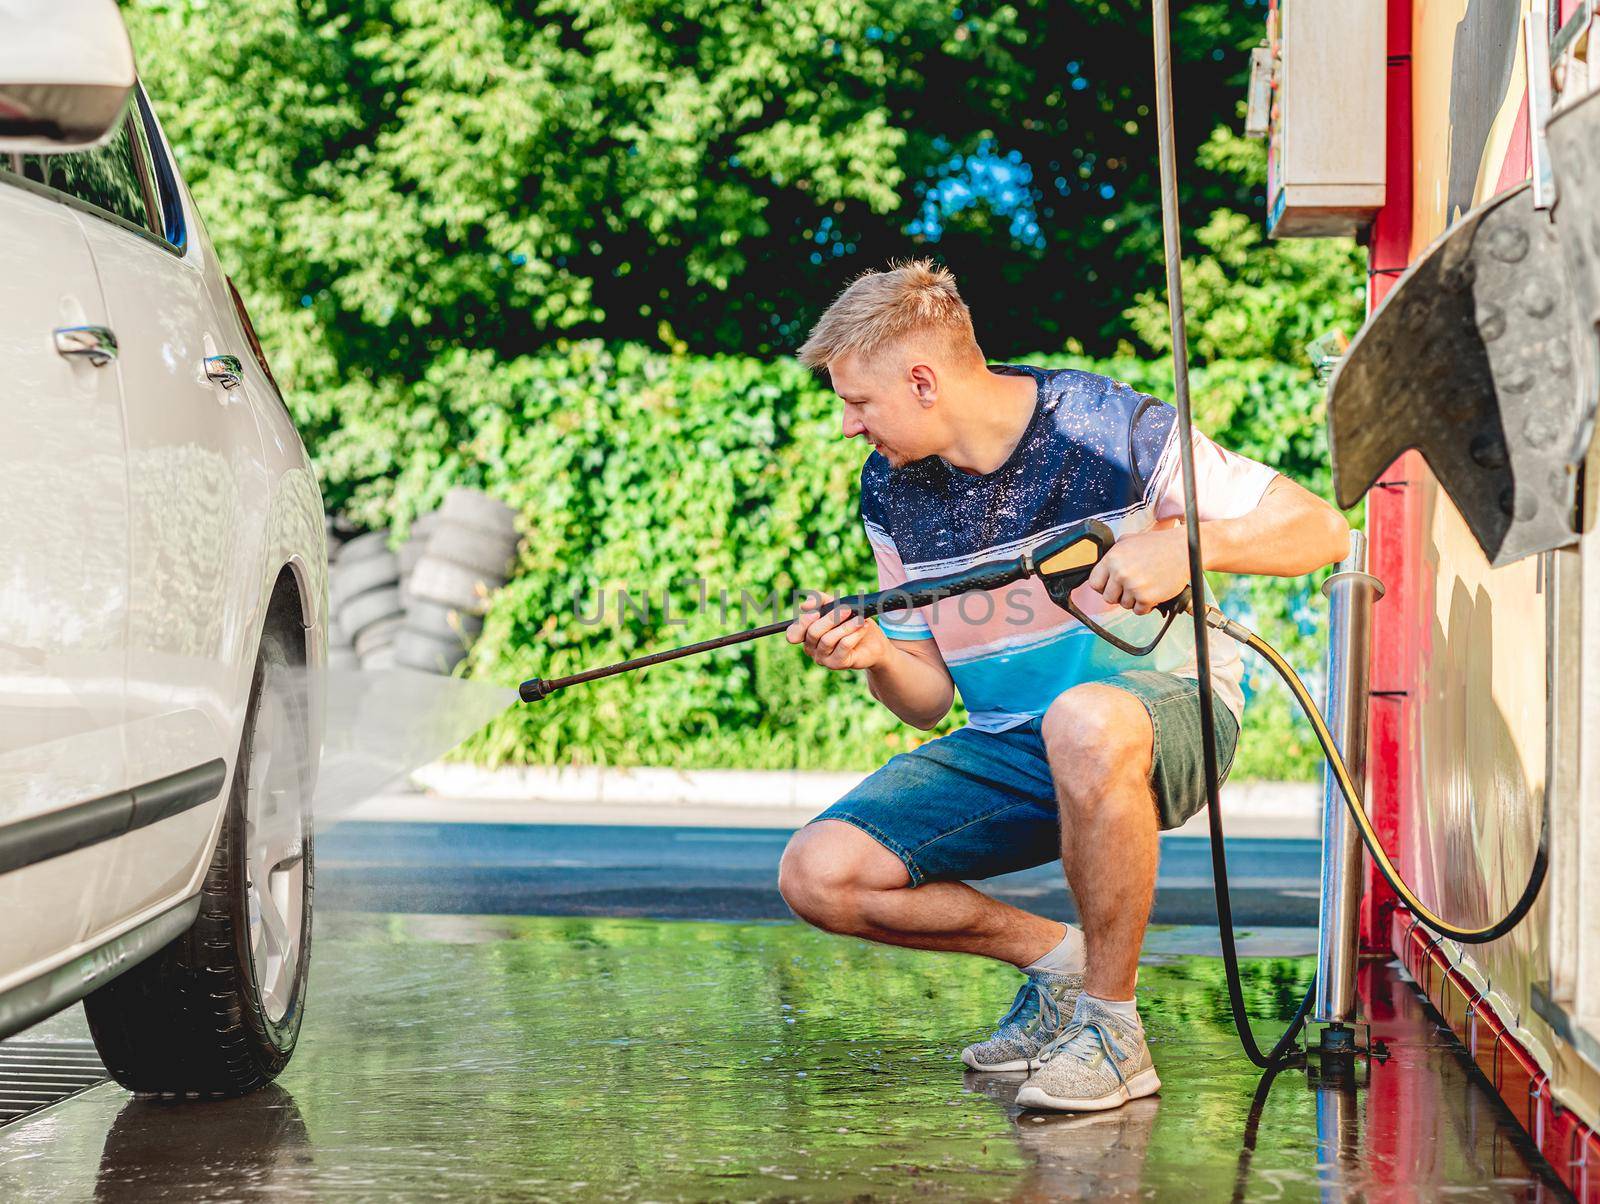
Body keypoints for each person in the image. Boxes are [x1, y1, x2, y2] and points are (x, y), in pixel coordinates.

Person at [778, 259, 1349, 1113]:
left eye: (858, 402)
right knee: (818, 874)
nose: (850, 426)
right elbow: (928, 699)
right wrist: (875, 657)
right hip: (1013, 741)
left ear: (923, 380)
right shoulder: (890, 491)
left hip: (1170, 714)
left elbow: (1321, 528)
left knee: (1084, 719)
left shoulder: (1108, 426)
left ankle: (1113, 1032)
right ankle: (1059, 961)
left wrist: (1184, 547)